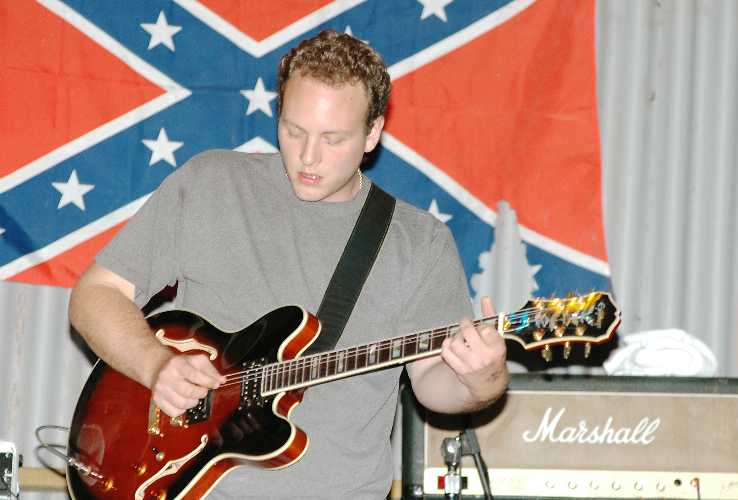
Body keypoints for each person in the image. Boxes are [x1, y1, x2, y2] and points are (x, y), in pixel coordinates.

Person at [69, 29, 508, 499]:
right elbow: (95, 295)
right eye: (294, 131)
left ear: (372, 133)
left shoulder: (419, 242)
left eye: (333, 139)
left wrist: (483, 378)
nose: (308, 157)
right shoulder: (211, 183)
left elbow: (433, 384)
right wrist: (155, 363)